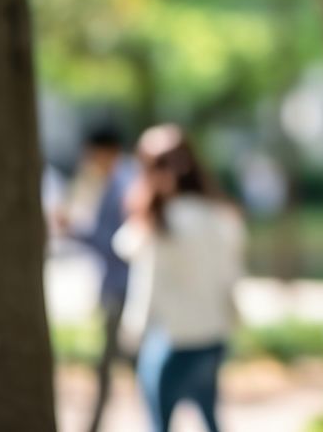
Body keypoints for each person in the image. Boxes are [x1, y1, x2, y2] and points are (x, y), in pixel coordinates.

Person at [113, 124, 245, 432]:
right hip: (212, 335)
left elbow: (144, 281)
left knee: (160, 422)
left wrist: (132, 333)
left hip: (172, 339)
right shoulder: (220, 215)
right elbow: (231, 275)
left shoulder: (160, 224)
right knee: (209, 416)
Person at [63, 125, 137, 432]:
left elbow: (118, 244)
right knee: (122, 362)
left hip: (125, 287)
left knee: (116, 361)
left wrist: (75, 231)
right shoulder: (115, 181)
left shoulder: (123, 185)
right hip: (120, 285)